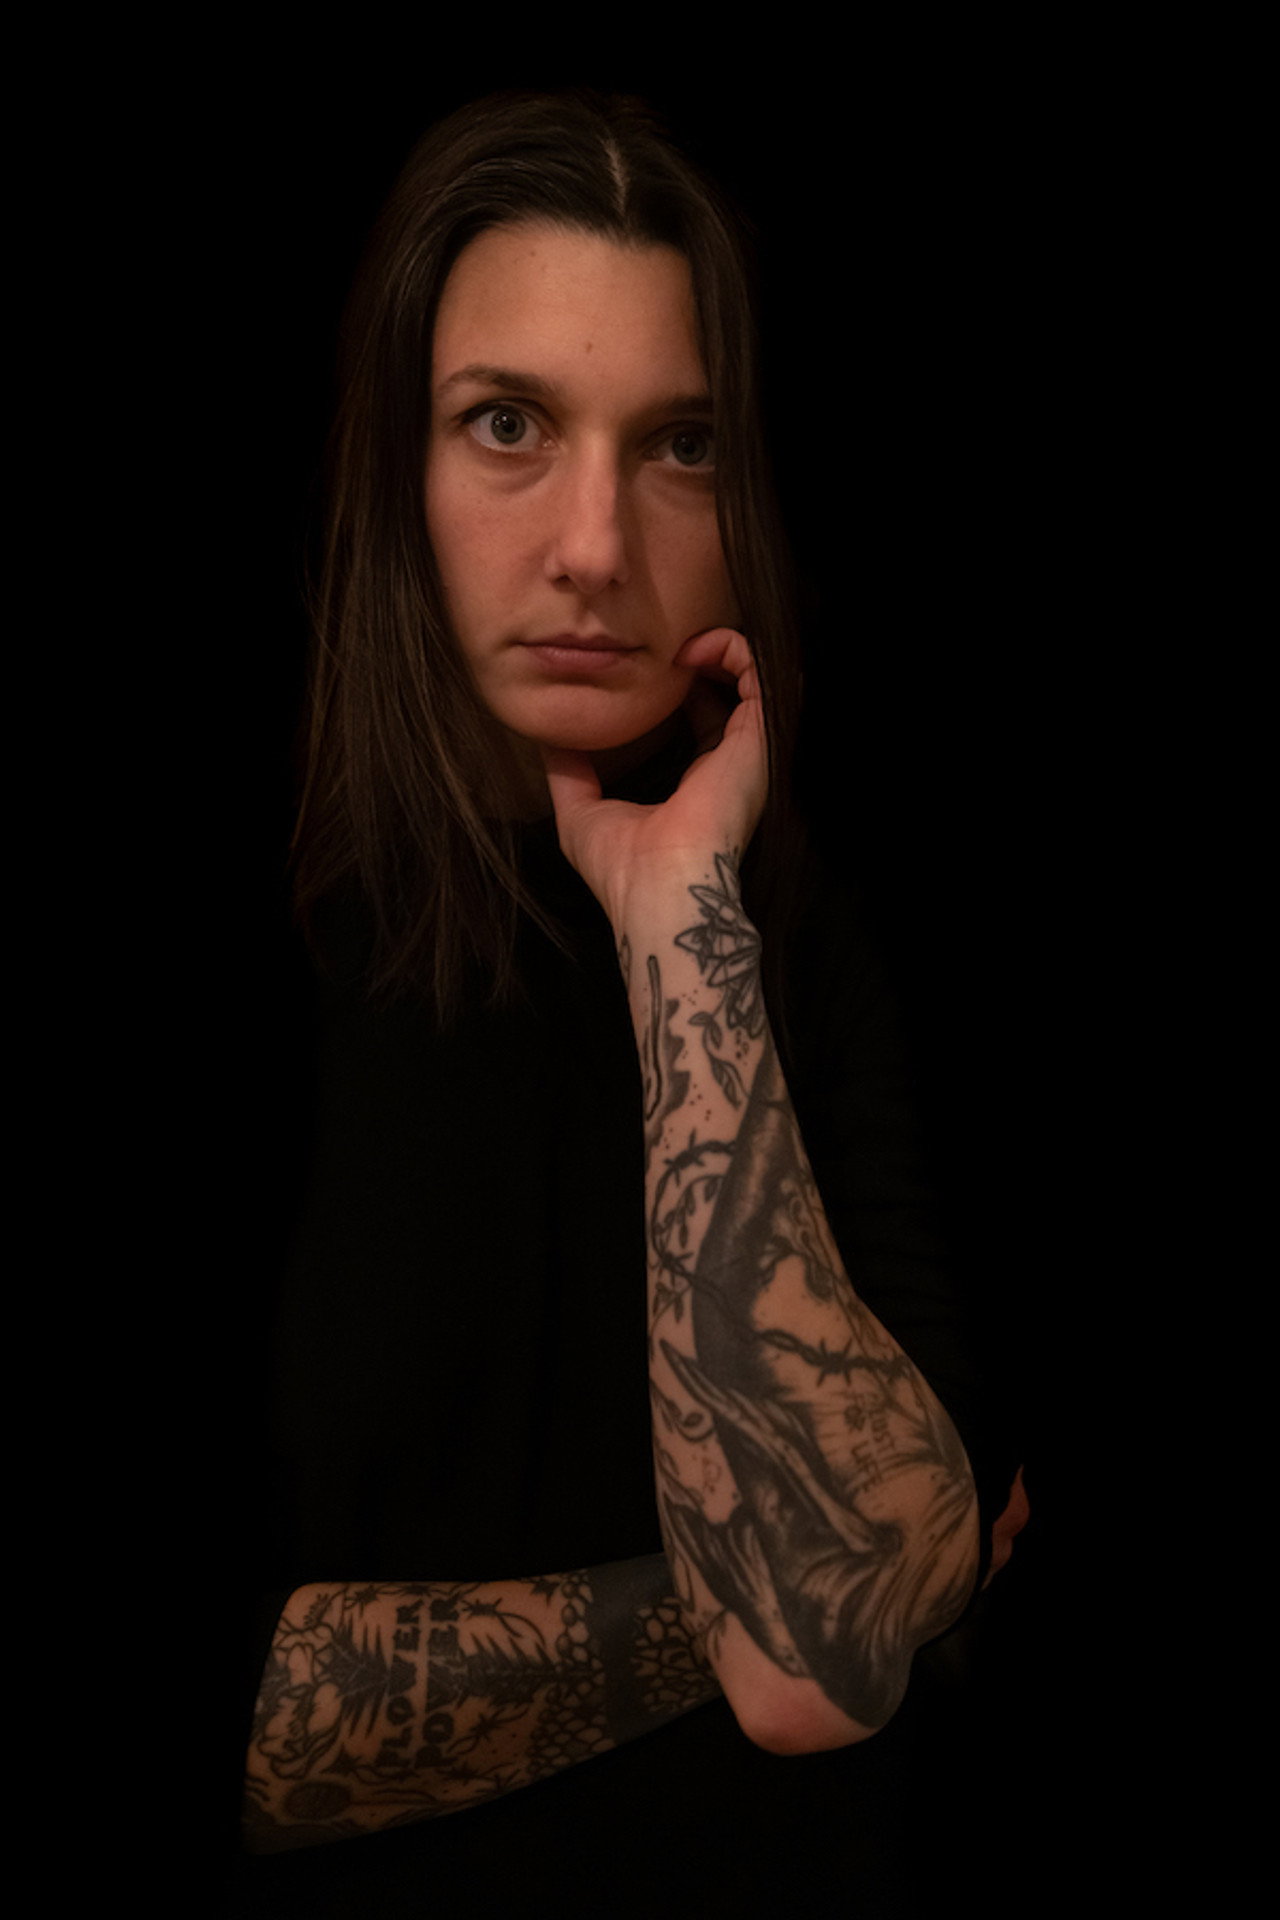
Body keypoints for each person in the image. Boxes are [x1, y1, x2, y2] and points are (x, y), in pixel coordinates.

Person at [229, 88, 1021, 1910]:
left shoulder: (813, 934)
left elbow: (815, 1688)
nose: (595, 544)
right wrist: (760, 1594)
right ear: (392, 465)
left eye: (678, 445)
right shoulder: (290, 924)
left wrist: (677, 922)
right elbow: (250, 1723)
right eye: (506, 425)